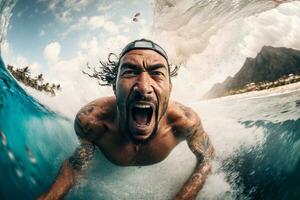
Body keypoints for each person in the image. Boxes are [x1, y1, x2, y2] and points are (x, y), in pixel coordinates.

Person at [38, 39, 214, 200]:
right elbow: (80, 159)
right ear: (114, 86)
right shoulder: (91, 121)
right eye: (130, 72)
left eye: (157, 74)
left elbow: (206, 159)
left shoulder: (185, 123)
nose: (144, 88)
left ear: (170, 87)